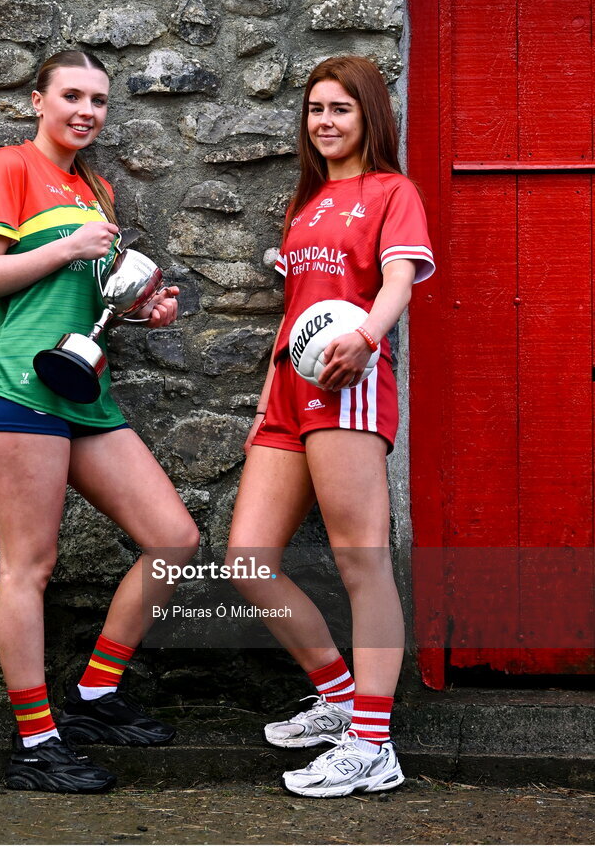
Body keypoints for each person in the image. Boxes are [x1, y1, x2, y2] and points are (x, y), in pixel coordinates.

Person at [0, 49, 199, 794]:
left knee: (173, 539)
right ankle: (35, 744)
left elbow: (90, 297)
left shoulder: (94, 186)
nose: (85, 111)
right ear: (38, 101)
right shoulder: (11, 167)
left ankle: (94, 696)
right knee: (28, 567)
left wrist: (143, 306)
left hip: (82, 387)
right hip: (22, 386)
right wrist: (67, 245)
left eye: (97, 99)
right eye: (70, 95)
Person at [226, 56, 434, 798]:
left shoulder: (391, 191)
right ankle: (341, 699)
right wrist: (262, 401)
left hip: (347, 387)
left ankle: (373, 745)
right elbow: (293, 314)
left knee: (360, 563)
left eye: (339, 108)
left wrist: (367, 339)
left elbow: (399, 282)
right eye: (315, 108)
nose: (324, 121)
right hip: (286, 394)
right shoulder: (305, 204)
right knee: (248, 559)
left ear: (367, 115)